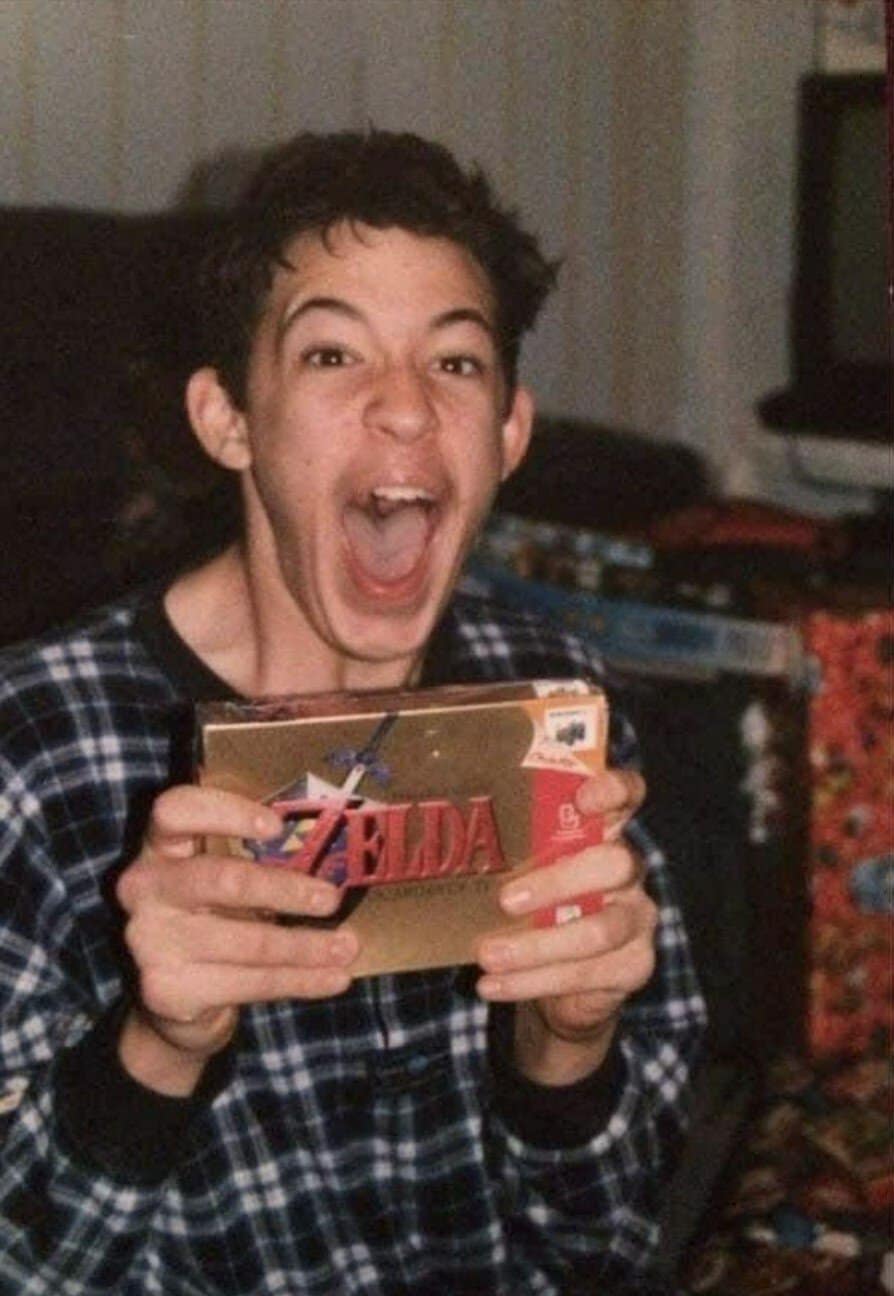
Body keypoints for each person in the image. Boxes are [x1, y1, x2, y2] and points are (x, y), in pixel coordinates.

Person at [0, 130, 705, 1295]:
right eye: (332, 354)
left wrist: (565, 1052)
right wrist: (154, 1053)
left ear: (510, 433)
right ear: (227, 419)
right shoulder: (30, 753)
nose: (407, 411)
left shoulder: (555, 713)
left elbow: (605, 1248)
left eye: (456, 362)